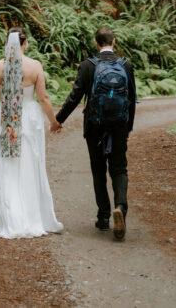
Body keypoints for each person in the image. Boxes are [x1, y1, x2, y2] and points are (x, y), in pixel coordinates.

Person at [0, 28, 64, 238]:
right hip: (28, 117)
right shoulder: (35, 66)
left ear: (7, 43)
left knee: (5, 162)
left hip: (6, 117)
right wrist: (54, 121)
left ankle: (7, 211)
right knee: (29, 161)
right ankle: (29, 212)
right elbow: (43, 98)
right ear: (25, 42)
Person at [55, 26, 136, 241]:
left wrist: (58, 120)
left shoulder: (87, 66)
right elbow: (132, 99)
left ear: (95, 43)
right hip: (119, 124)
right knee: (119, 168)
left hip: (94, 126)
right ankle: (121, 208)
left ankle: (103, 216)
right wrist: (129, 127)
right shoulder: (126, 65)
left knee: (98, 169)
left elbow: (74, 97)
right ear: (114, 42)